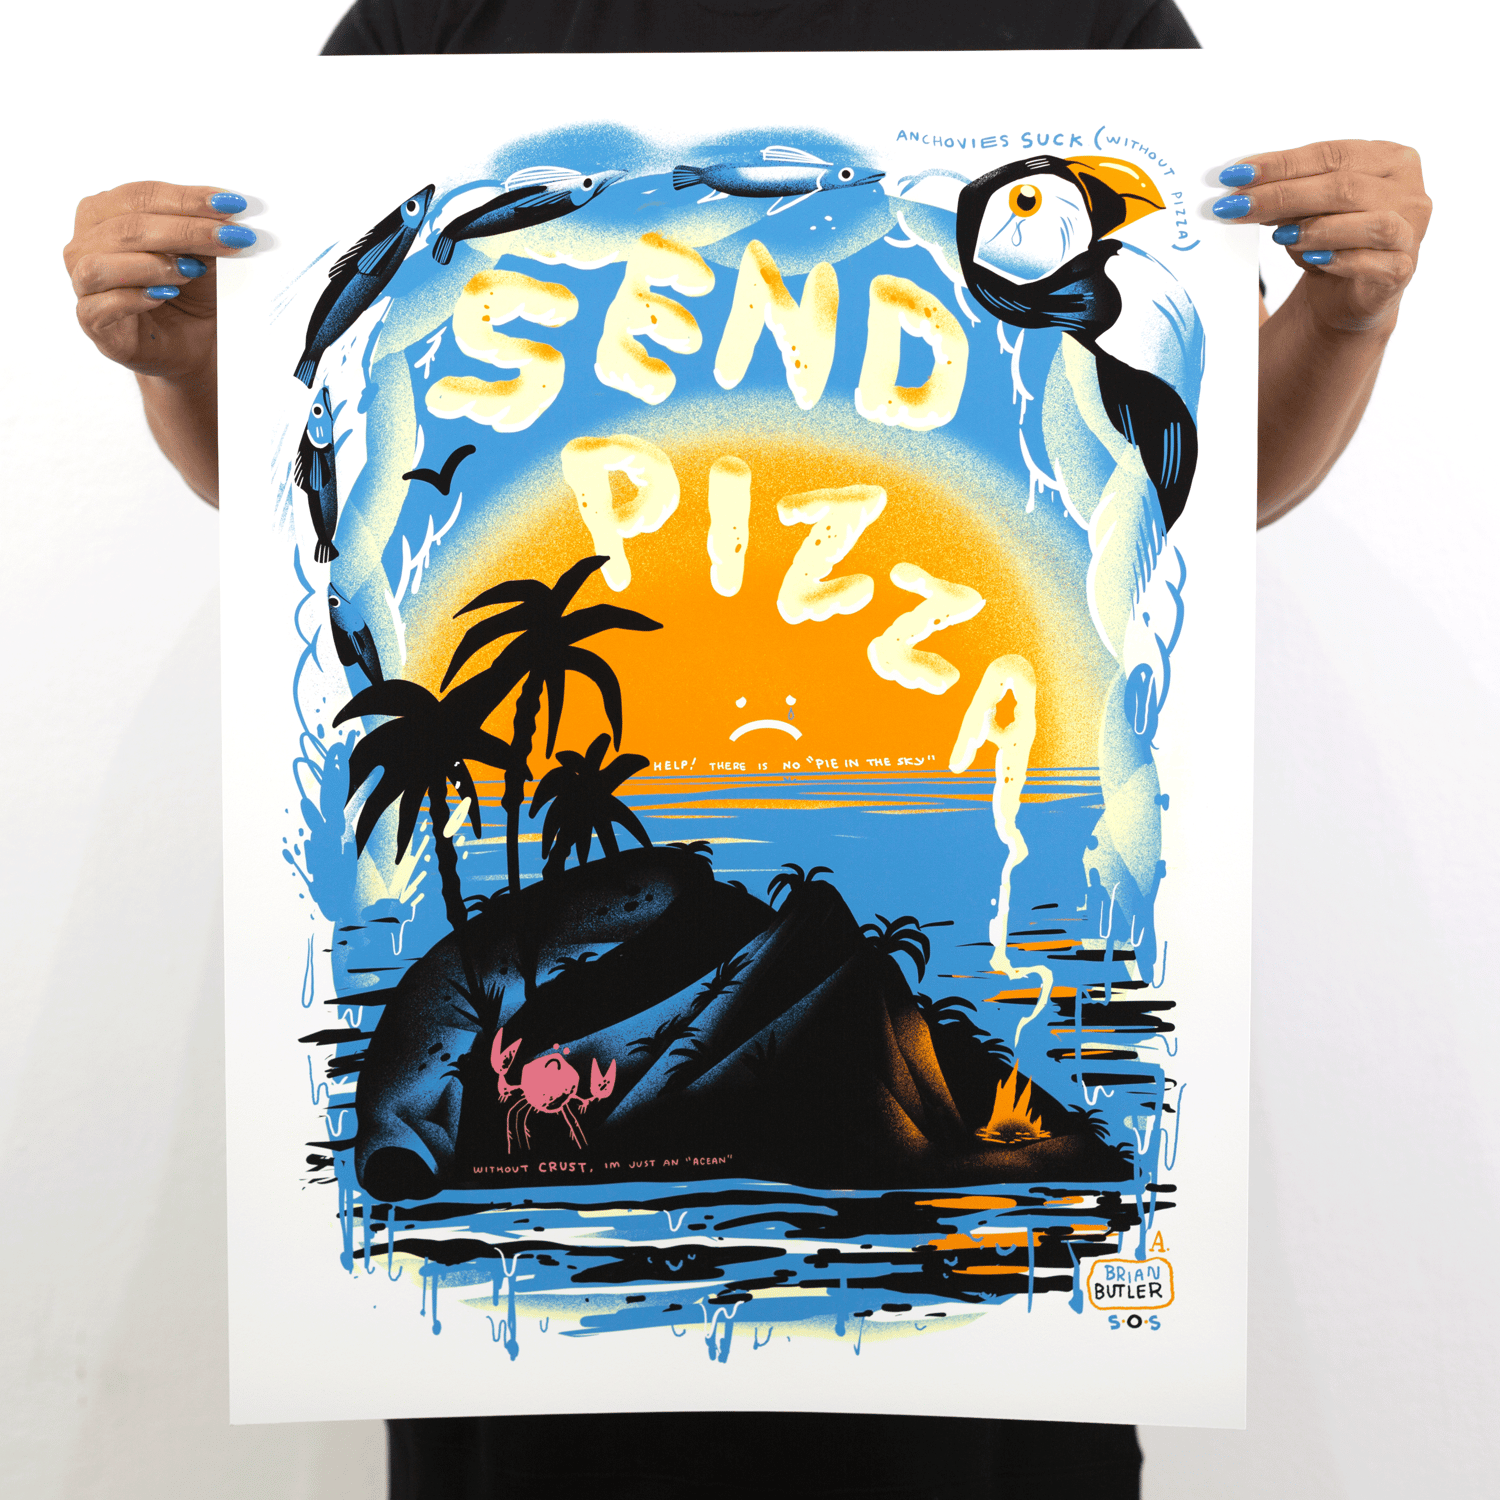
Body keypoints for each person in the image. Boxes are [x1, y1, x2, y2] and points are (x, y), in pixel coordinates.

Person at [61, 3, 1430, 1496]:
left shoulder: (1086, 14)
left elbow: (1204, 490)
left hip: (993, 1387)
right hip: (532, 1413)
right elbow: (293, 501)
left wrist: (1341, 318)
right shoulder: (437, 18)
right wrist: (183, 363)